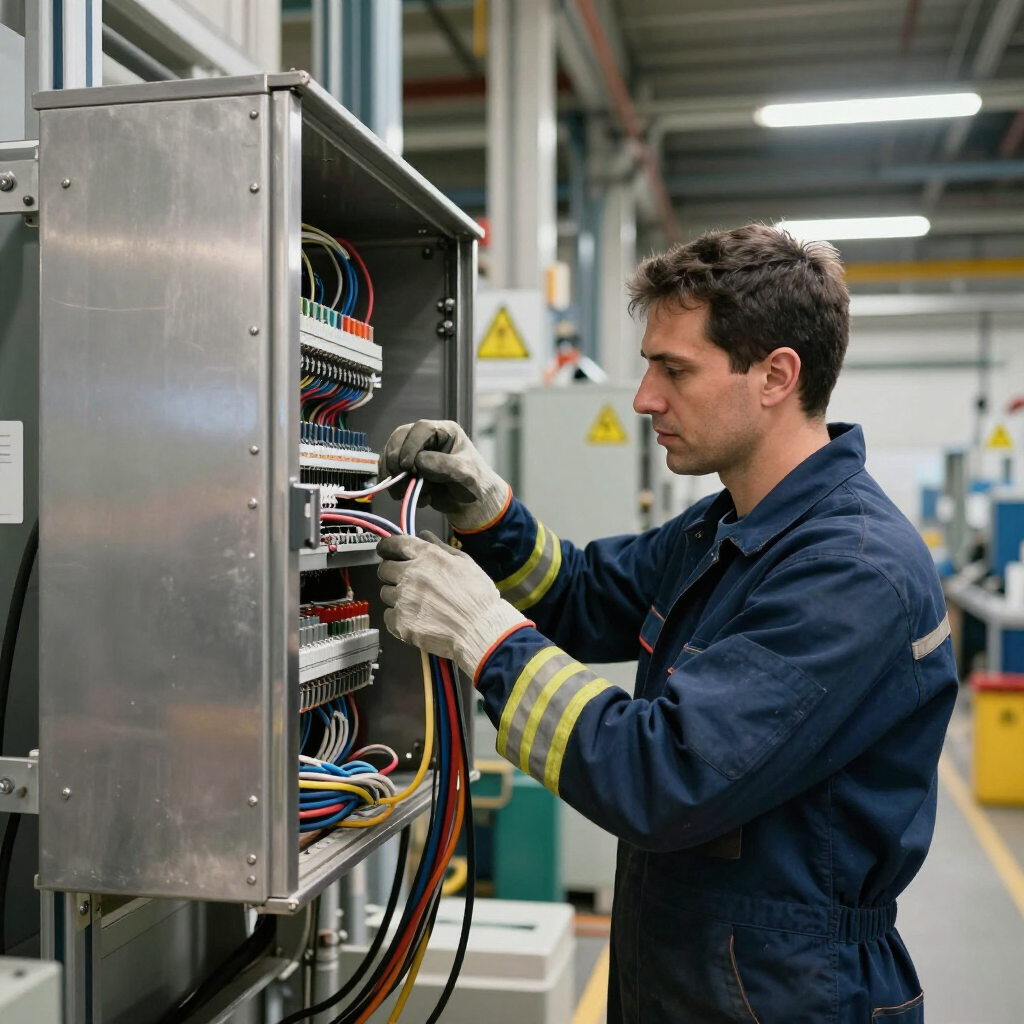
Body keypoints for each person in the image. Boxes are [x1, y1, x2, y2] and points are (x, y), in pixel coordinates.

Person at [375, 224, 955, 1024]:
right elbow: (580, 592)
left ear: (776, 376)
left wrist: (485, 638)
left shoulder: (851, 571)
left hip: (790, 990)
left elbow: (661, 776)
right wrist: (487, 511)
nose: (645, 398)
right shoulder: (730, 526)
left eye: (674, 370)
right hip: (693, 964)